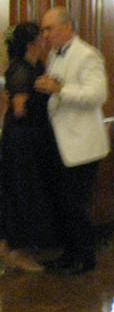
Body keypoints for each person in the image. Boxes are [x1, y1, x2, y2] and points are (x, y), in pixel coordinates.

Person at [34, 7, 109, 275]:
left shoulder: (87, 55)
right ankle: (68, 254)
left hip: (81, 144)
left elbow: (97, 95)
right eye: (43, 30)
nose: (45, 35)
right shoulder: (54, 54)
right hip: (59, 141)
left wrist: (60, 89)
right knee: (61, 203)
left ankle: (84, 258)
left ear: (66, 27)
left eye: (49, 29)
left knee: (75, 205)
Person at [0, 22, 62, 271]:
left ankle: (10, 248)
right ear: (31, 44)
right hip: (22, 142)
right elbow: (19, 108)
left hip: (28, 140)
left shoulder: (34, 66)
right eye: (41, 36)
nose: (45, 39)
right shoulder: (22, 70)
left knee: (24, 192)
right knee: (22, 193)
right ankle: (16, 251)